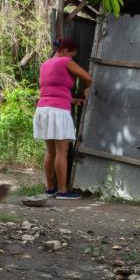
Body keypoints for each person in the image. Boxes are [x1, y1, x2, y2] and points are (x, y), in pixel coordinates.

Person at [33, 37, 92, 200]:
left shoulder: (45, 65)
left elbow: (54, 90)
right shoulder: (65, 61)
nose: (71, 58)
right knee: (62, 151)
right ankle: (63, 191)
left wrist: (72, 99)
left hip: (43, 109)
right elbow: (88, 77)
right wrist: (84, 90)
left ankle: (50, 188)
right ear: (65, 51)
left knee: (50, 151)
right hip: (58, 112)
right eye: (72, 54)